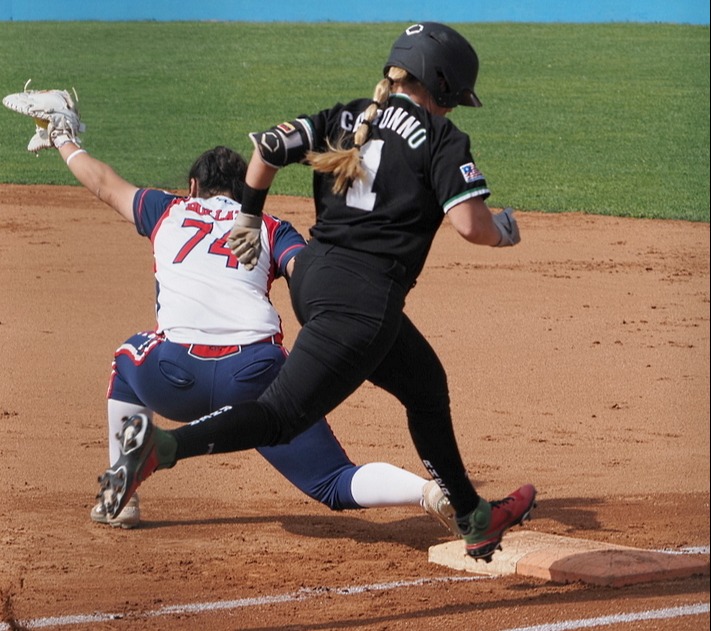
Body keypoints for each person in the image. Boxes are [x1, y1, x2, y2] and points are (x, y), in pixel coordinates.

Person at [97, 22, 537, 561]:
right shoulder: (442, 139)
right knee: (281, 416)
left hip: (315, 281)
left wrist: (248, 218)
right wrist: (505, 230)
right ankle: (163, 448)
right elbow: (472, 225)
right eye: (453, 100)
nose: (452, 111)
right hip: (362, 302)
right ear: (441, 85)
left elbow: (267, 149)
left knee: (425, 386)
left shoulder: (348, 115)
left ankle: (474, 517)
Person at [28, 121, 457, 531]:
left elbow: (103, 183)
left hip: (173, 378)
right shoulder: (269, 227)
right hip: (257, 380)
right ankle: (427, 491)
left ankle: (119, 497)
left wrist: (64, 140)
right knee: (333, 480)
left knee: (127, 359)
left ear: (192, 187)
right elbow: (304, 272)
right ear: (246, 191)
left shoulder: (166, 209)